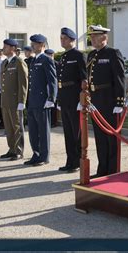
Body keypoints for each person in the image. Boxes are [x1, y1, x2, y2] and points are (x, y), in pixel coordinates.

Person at [87, 25, 126, 178]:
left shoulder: (113, 53)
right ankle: (102, 169)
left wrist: (119, 102)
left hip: (109, 99)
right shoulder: (91, 55)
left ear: (104, 37)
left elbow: (119, 78)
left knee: (111, 137)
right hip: (96, 99)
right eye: (91, 37)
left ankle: (113, 171)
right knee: (100, 137)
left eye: (95, 36)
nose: (92, 39)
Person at [56, 27, 87, 173]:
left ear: (72, 40)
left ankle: (78, 160)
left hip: (75, 97)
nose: (62, 40)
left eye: (65, 38)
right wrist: (59, 99)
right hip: (64, 96)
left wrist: (82, 99)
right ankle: (70, 160)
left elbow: (83, 79)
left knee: (77, 131)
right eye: (61, 38)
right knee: (68, 132)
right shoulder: (63, 57)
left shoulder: (78, 56)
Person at [24, 34, 57, 166]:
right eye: (32, 43)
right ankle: (36, 154)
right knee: (33, 131)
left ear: (42, 45)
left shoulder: (46, 60)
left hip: (43, 101)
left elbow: (52, 80)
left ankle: (44, 156)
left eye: (36, 43)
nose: (32, 45)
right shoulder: (32, 61)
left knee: (43, 131)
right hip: (32, 101)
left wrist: (51, 98)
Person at [0, 38, 28, 161]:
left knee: (17, 126)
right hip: (6, 100)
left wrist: (22, 101)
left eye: (5, 46)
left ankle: (19, 150)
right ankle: (11, 149)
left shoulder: (19, 62)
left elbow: (23, 83)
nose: (3, 48)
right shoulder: (5, 63)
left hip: (16, 101)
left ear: (12, 48)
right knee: (9, 127)